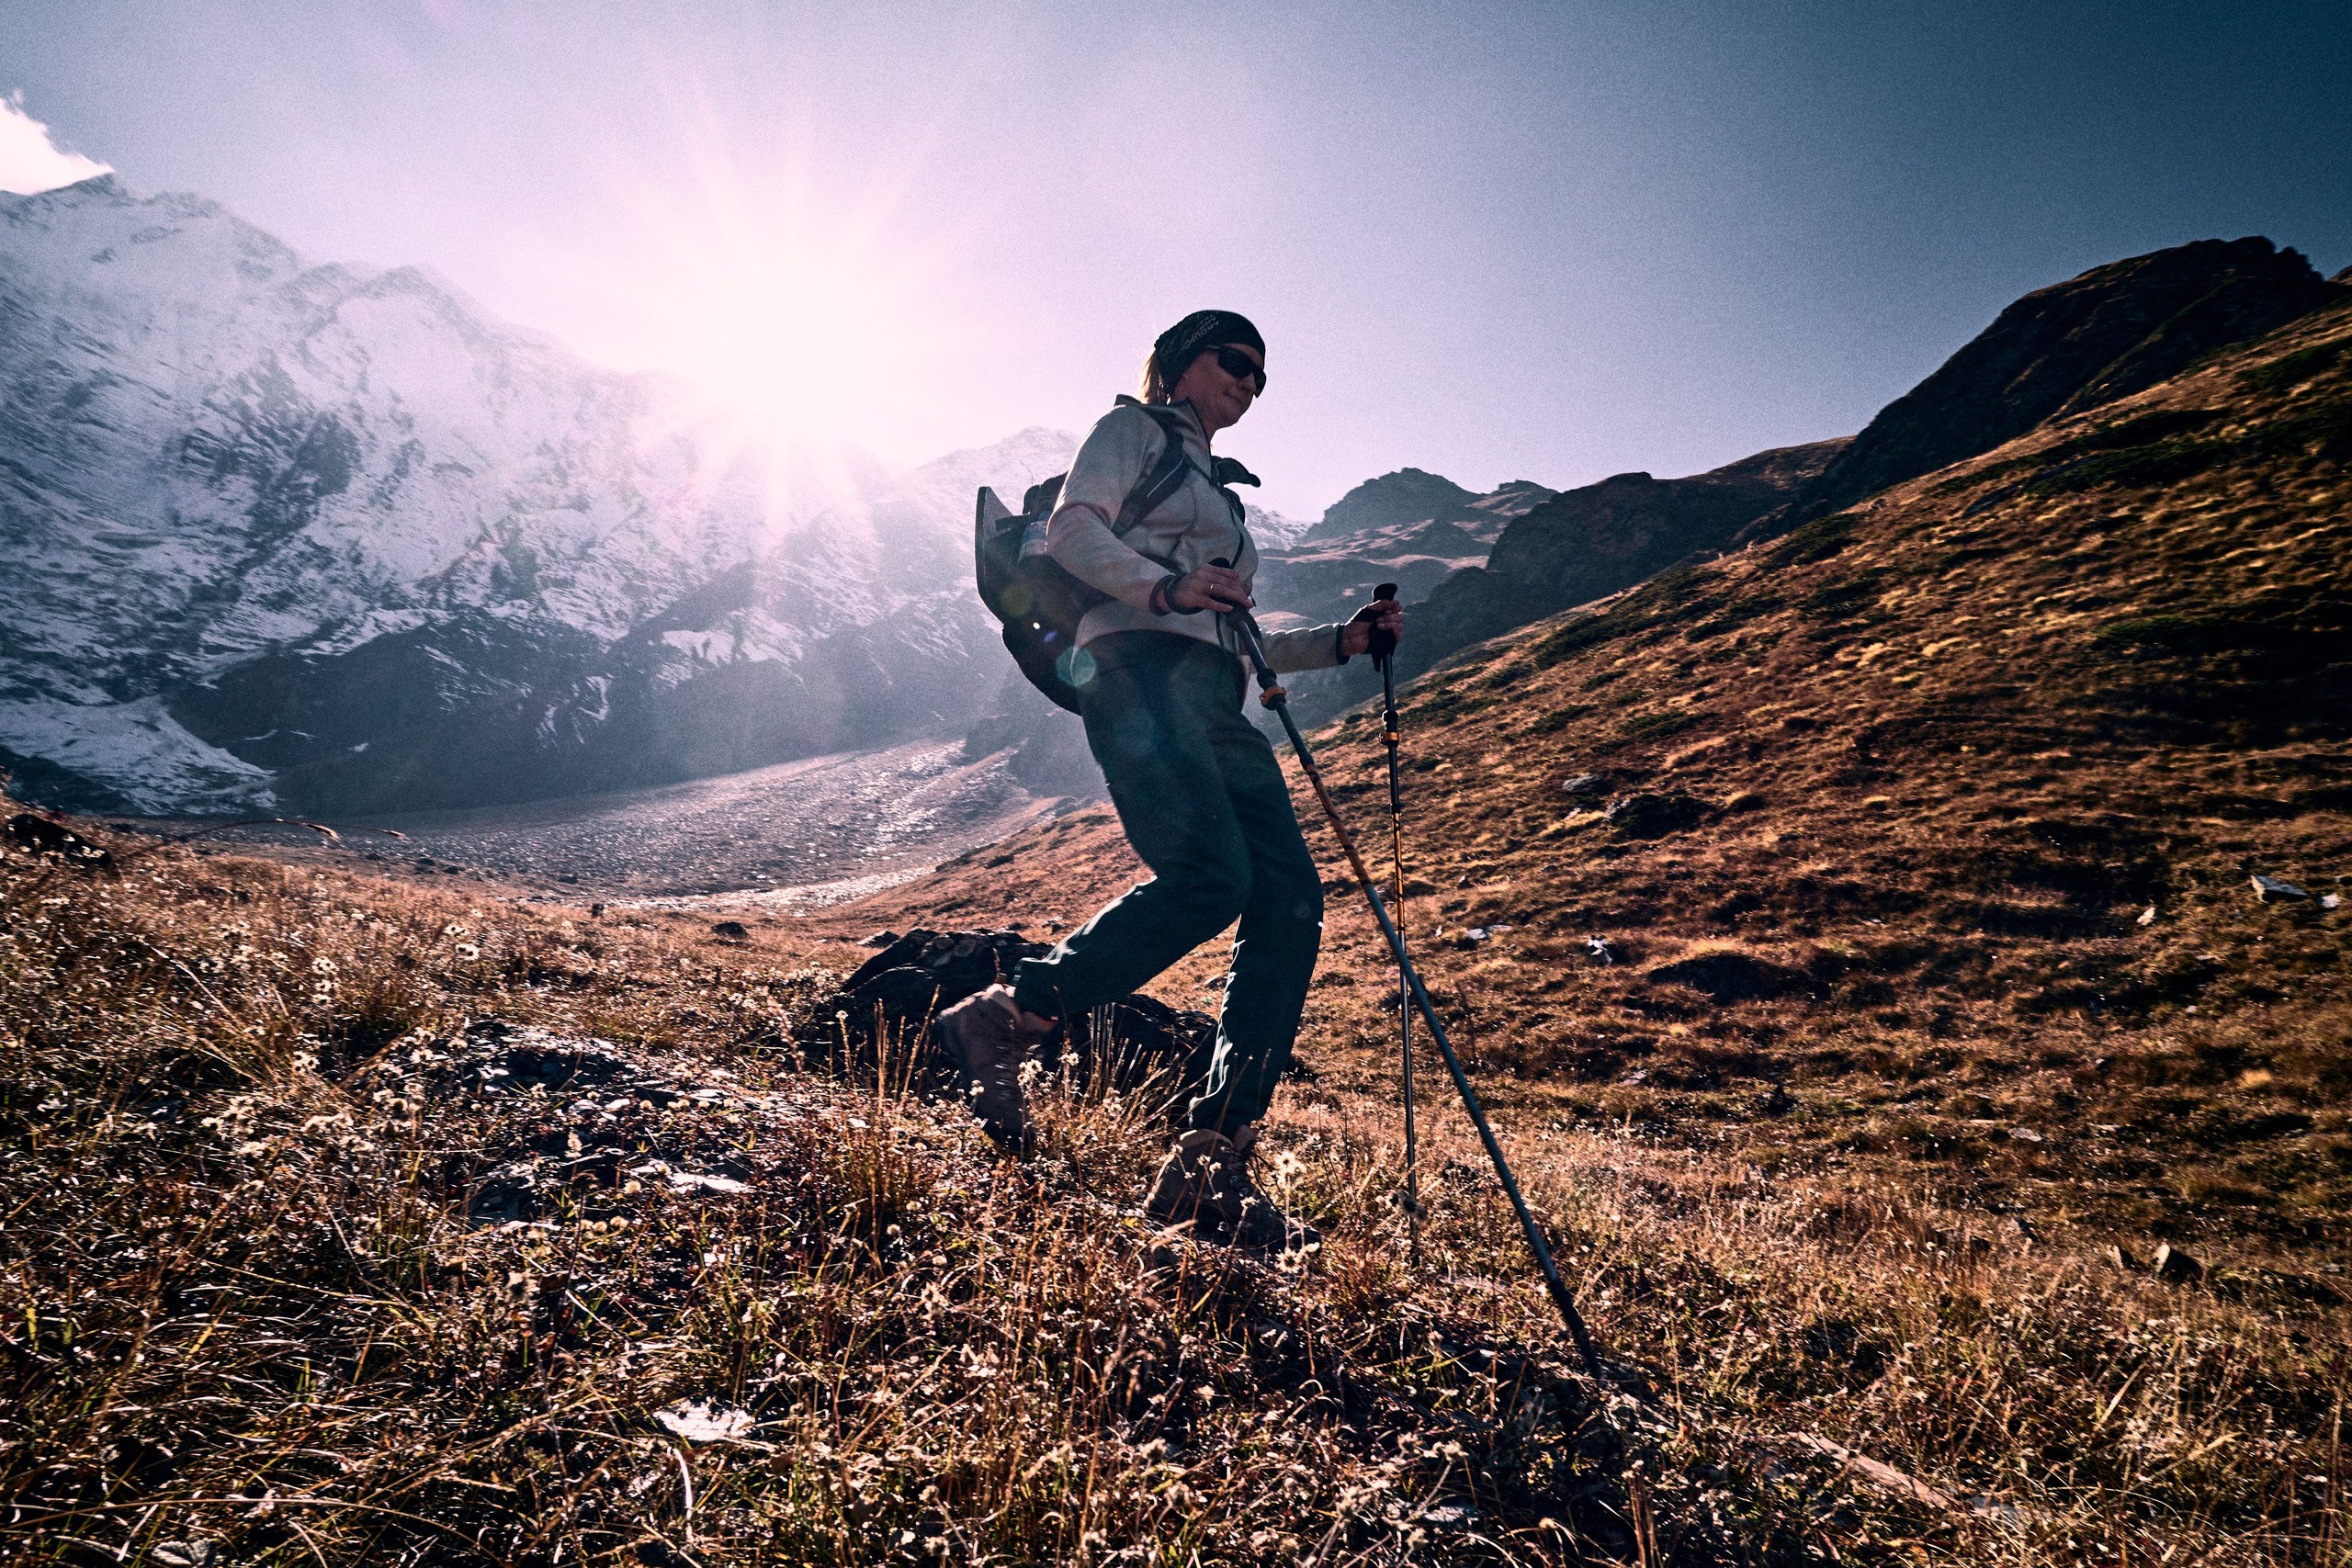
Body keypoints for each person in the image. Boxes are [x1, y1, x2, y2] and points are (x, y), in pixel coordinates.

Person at [936, 310, 1405, 1249]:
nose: (1250, 383)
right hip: (1137, 674)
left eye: (1262, 376)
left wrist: (1342, 643)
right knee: (1210, 878)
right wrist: (1165, 588)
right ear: (1184, 362)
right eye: (1236, 362)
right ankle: (1011, 1014)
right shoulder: (1131, 431)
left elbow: (1230, 628)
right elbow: (1072, 531)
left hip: (1214, 697)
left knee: (1291, 903)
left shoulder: (1221, 495)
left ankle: (1212, 1156)